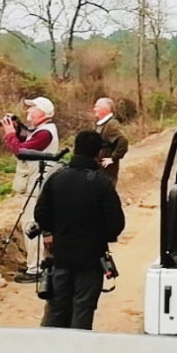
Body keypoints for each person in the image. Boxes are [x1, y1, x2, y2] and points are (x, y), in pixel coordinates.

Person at [34, 130, 125, 330]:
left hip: (60, 256)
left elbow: (40, 213)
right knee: (82, 310)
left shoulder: (57, 178)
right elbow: (116, 223)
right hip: (91, 259)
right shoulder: (102, 183)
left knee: (57, 308)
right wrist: (102, 236)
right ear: (98, 153)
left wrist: (50, 233)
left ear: (75, 148)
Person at [0, 96, 60, 283]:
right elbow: (26, 144)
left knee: (30, 226)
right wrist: (17, 132)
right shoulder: (43, 131)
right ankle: (36, 264)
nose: (28, 112)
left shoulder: (45, 133)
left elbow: (21, 151)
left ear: (42, 113)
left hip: (37, 188)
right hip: (36, 185)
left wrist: (10, 134)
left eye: (32, 109)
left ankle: (35, 269)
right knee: (33, 226)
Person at [93, 97, 129, 187]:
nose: (94, 109)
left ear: (105, 109)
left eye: (97, 106)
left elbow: (123, 140)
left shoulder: (111, 124)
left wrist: (113, 158)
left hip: (107, 171)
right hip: (100, 168)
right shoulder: (102, 124)